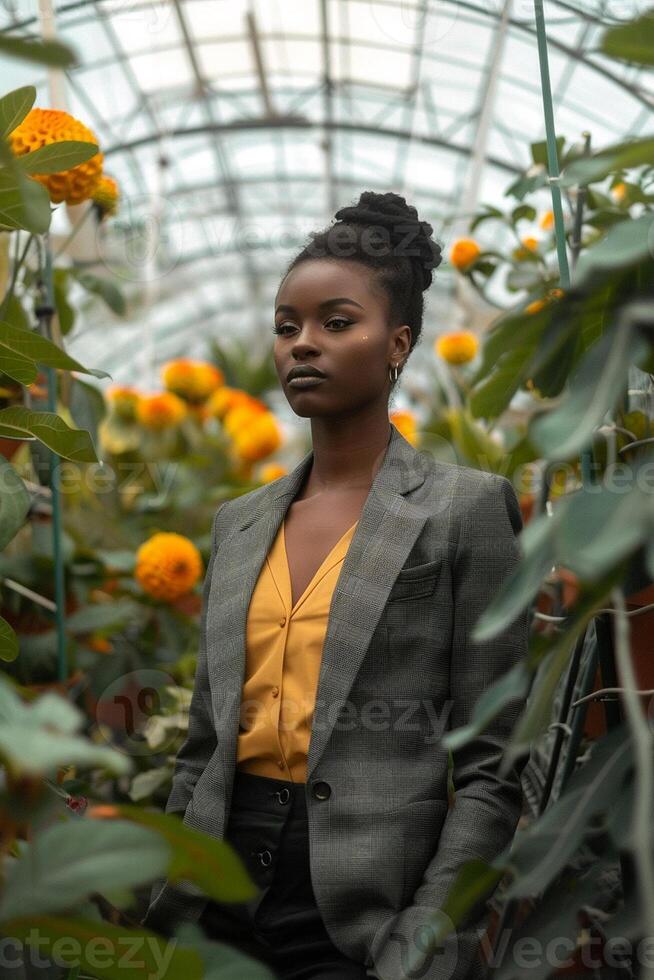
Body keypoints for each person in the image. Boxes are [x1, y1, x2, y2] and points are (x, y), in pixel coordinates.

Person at [141, 191, 530, 980]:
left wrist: (429, 928)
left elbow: (494, 766)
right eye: (287, 327)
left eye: (336, 323)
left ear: (398, 343)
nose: (302, 346)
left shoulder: (466, 509)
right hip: (217, 893)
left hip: (368, 910)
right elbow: (204, 744)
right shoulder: (239, 523)